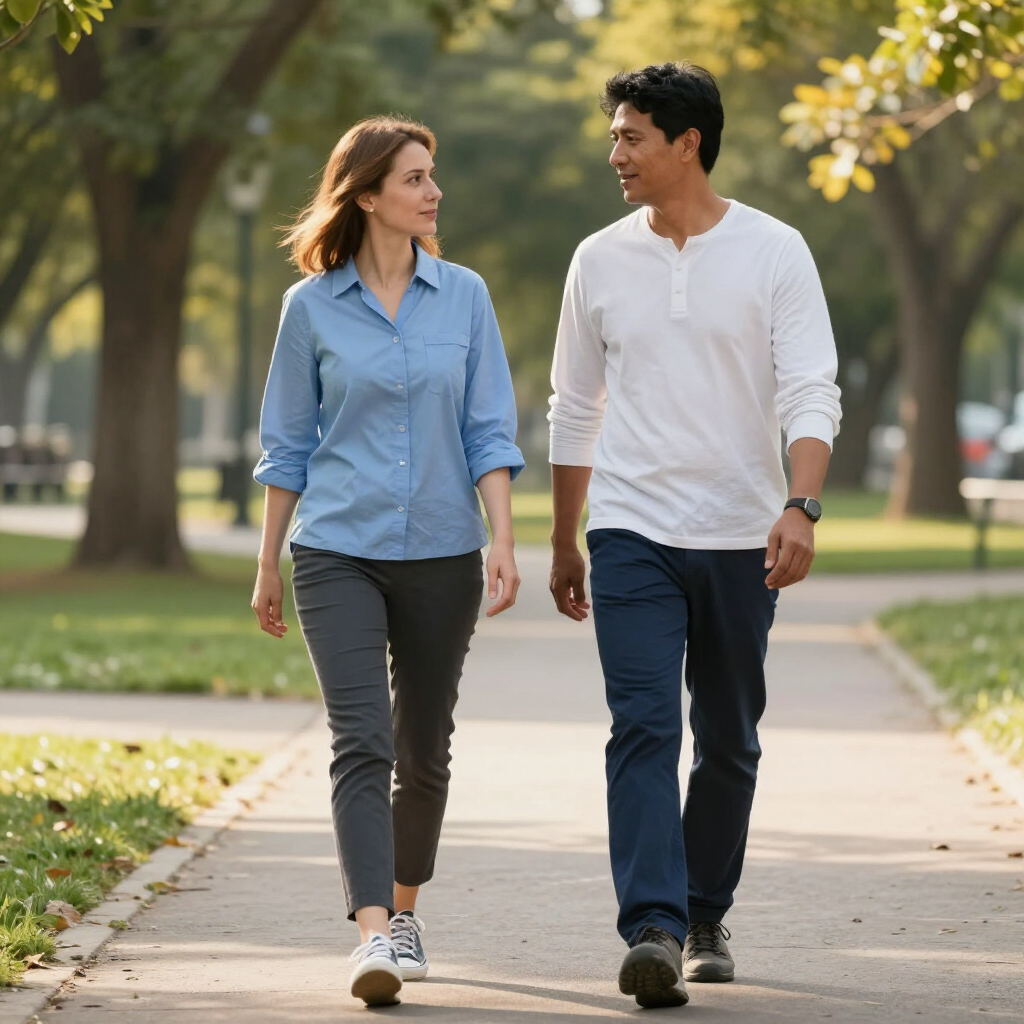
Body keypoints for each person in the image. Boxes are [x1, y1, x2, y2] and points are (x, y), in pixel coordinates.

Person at [548, 63, 842, 1008]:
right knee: (641, 724)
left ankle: (707, 908)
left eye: (632, 136)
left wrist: (800, 505)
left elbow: (810, 388)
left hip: (738, 532)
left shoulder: (775, 250)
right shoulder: (597, 258)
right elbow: (571, 406)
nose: (616, 154)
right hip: (630, 526)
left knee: (729, 739)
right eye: (615, 136)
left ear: (688, 144)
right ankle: (655, 930)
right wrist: (566, 537)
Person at [250, 116, 524, 1008]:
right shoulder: (311, 308)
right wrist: (266, 563)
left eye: (432, 175)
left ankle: (406, 912)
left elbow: (488, 428)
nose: (433, 191)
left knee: (424, 746)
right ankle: (373, 933)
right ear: (368, 194)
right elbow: (287, 444)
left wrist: (505, 540)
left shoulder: (466, 297)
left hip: (445, 549)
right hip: (336, 549)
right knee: (359, 740)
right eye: (415, 177)